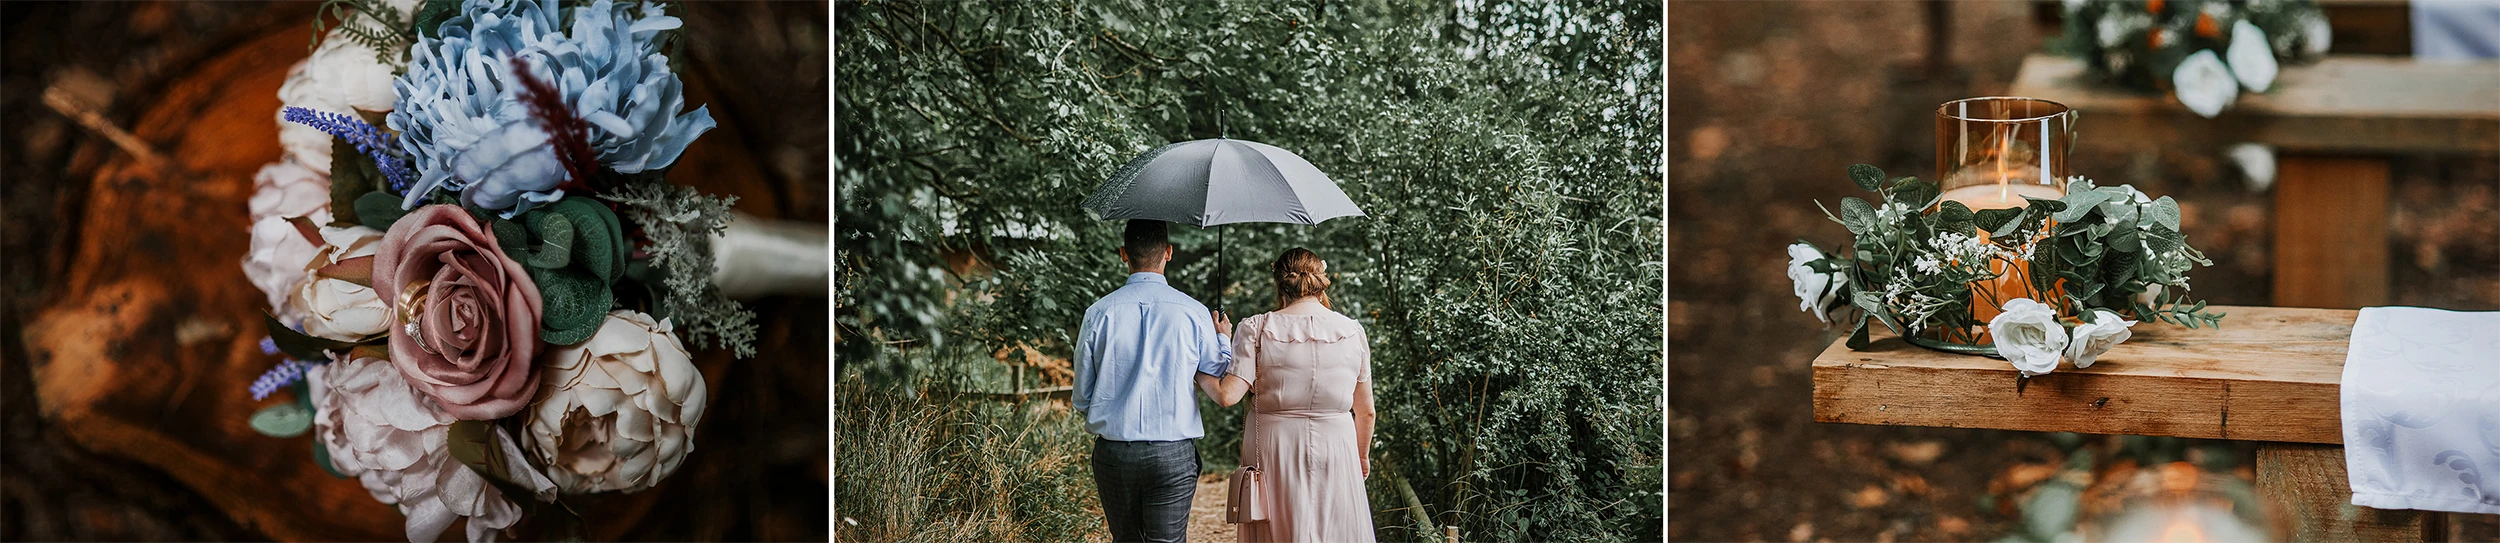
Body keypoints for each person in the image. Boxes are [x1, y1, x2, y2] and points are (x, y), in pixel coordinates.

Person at [1197, 247, 1377, 543]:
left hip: (1275, 449)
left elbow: (1227, 396)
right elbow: (1366, 411)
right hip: (1338, 447)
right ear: (1320, 279)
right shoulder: (1352, 331)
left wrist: (1198, 365)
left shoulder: (1256, 328)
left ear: (1279, 283)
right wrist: (1361, 457)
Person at [1074, 219, 1234, 543]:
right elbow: (1217, 373)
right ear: (1169, 252)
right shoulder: (1194, 312)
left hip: (1114, 454)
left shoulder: (1098, 313)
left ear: (1123, 254)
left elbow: (1081, 397)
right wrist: (1223, 339)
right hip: (1172, 454)